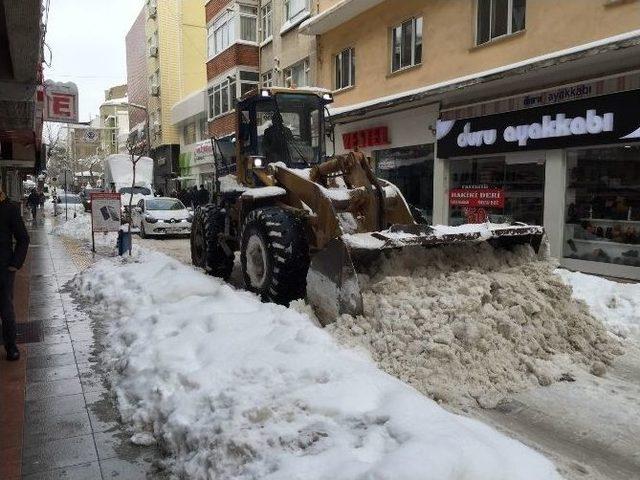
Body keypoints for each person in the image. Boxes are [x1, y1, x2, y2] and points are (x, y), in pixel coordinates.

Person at [0, 186, 29, 361]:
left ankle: (10, 346)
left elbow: (23, 238)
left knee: (5, 309)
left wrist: (14, 264)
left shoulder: (8, 208)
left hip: (3, 268)